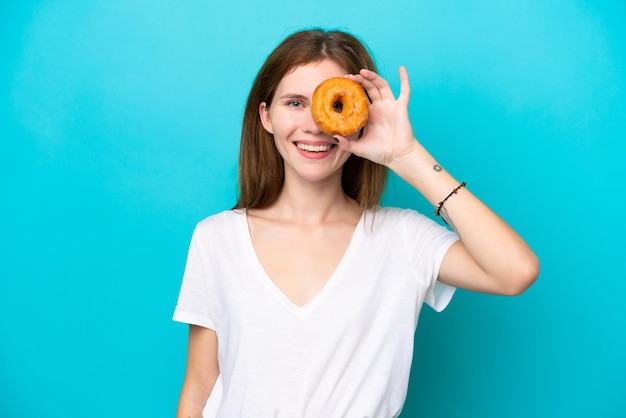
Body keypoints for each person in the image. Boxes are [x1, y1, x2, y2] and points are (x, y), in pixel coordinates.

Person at [173, 28, 539, 417]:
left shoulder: (402, 239)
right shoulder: (216, 238)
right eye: (295, 103)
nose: (314, 125)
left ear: (361, 115)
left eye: (325, 103)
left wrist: (407, 155)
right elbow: (198, 389)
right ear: (266, 116)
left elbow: (515, 271)